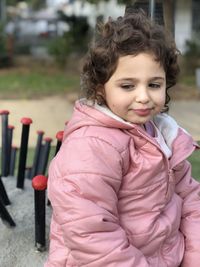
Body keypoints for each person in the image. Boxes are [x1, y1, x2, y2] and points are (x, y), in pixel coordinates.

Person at [44, 9, 200, 267]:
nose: (143, 97)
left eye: (154, 84)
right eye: (128, 86)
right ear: (100, 88)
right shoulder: (91, 147)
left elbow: (190, 199)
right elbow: (91, 234)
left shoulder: (163, 134)